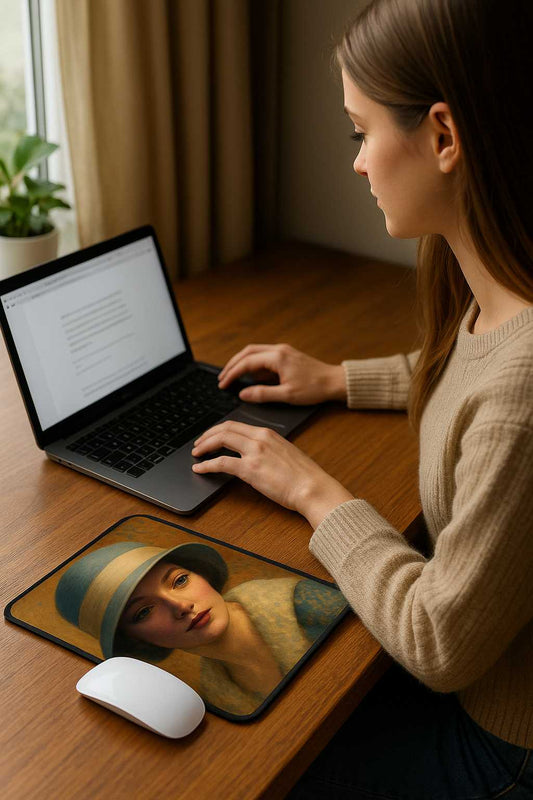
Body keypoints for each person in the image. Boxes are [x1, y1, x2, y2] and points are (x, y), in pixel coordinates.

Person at [189, 0, 533, 795]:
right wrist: (339, 377)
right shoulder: (487, 276)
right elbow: (472, 367)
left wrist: (312, 490)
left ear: (443, 137)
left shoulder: (523, 394)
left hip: (503, 743)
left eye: (359, 131)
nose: (356, 162)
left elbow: (439, 640)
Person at [55, 540, 346, 716]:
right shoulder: (213, 692)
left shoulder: (299, 603)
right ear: (137, 641)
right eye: (144, 611)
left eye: (180, 580)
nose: (180, 605)